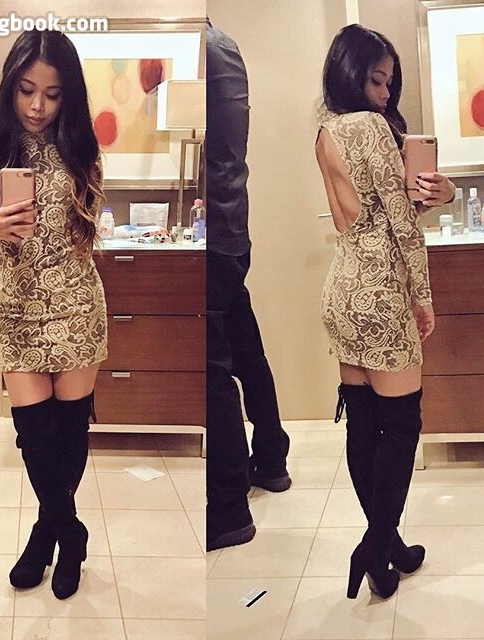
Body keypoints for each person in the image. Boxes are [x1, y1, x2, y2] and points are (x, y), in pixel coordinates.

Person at [0, 29, 106, 600]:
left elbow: (87, 237)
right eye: (26, 90)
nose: (38, 106)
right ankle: (69, 532)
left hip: (77, 307)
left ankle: (46, 538)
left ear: (69, 96)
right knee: (34, 439)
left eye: (53, 94)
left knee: (69, 435)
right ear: (9, 86)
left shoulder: (82, 148)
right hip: (17, 312)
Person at [315, 24, 456, 599]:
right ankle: (375, 544)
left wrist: (440, 193)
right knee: (400, 425)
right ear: (350, 74)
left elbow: (375, 212)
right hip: (380, 291)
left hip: (343, 288)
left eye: (389, 83)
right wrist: (423, 296)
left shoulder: (325, 129)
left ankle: (386, 544)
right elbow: (400, 225)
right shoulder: (371, 128)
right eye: (376, 80)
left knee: (365, 422)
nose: (384, 93)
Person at [206, 18, 291, 552]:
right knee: (242, 347)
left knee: (214, 371)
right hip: (229, 229)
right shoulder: (222, 46)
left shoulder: (205, 48)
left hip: (215, 234)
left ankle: (228, 509)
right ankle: (272, 457)